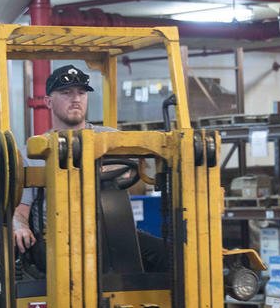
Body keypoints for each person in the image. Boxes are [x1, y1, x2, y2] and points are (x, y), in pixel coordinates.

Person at [13, 64, 166, 272]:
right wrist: (19, 225)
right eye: (66, 93)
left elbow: (140, 170)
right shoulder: (35, 152)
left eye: (81, 93)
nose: (76, 98)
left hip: (113, 232)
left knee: (172, 256)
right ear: (48, 101)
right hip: (58, 239)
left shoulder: (112, 139)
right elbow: (21, 210)